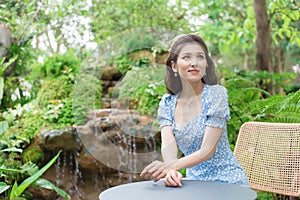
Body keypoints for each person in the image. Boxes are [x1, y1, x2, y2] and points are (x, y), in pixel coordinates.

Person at [140, 33, 249, 187]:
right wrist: (171, 171)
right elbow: (168, 146)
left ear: (206, 64)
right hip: (193, 183)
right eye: (186, 57)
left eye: (200, 57)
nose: (194, 63)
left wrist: (170, 166)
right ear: (174, 66)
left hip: (227, 181)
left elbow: (207, 151)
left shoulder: (216, 94)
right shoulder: (167, 103)